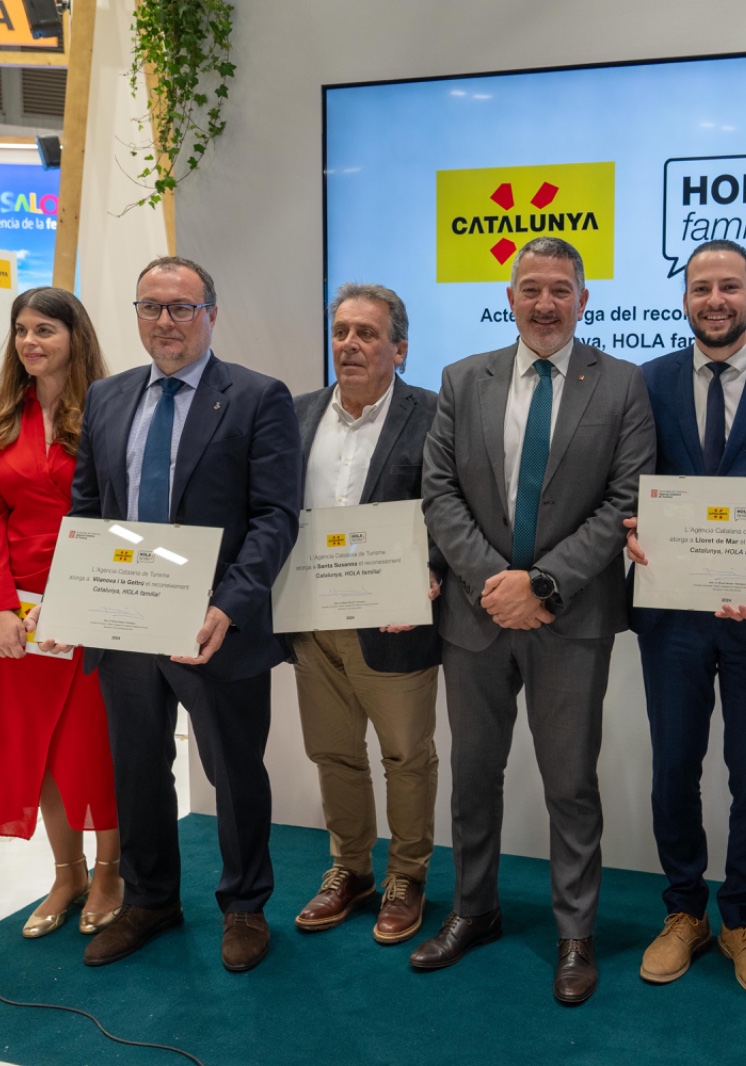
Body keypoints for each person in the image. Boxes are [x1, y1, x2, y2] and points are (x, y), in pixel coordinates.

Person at [414, 236, 656, 1004]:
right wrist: (496, 583)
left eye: (560, 289)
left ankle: (575, 934)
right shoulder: (464, 378)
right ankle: (473, 909)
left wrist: (544, 585)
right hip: (476, 616)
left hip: (571, 619)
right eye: (531, 289)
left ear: (583, 300)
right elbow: (439, 490)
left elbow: (627, 498)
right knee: (473, 778)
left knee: (570, 784)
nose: (545, 303)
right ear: (509, 298)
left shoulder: (621, 384)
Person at [53, 255, 300, 973]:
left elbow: (276, 516)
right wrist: (76, 597)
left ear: (210, 314)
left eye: (182, 308)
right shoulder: (107, 396)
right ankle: (151, 900)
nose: (166, 321)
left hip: (214, 626)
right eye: (151, 307)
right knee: (137, 768)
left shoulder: (257, 396)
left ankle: (245, 905)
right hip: (126, 621)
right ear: (136, 314)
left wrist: (230, 605)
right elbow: (88, 509)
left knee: (234, 772)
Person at [623, 240, 746, 999]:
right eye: (701, 287)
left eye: (730, 287)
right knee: (674, 767)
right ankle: (684, 911)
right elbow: (630, 482)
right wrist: (629, 526)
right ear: (684, 300)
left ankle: (742, 919)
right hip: (673, 612)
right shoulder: (648, 381)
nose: (716, 300)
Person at [287, 283, 443, 946]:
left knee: (406, 756)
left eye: (367, 334)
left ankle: (406, 876)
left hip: (393, 620)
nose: (349, 345)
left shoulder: (433, 414)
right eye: (341, 332)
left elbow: (454, 506)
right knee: (332, 752)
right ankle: (349, 869)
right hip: (312, 617)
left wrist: (434, 570)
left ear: (399, 349)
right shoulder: (296, 413)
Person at [0, 287, 124, 939]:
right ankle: (68, 874)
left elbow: (124, 514)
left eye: (45, 330)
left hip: (93, 598)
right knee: (39, 746)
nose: (30, 342)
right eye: (21, 330)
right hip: (22, 613)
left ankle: (111, 871)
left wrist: (81, 598)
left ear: (75, 336)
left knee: (97, 745)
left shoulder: (112, 411)